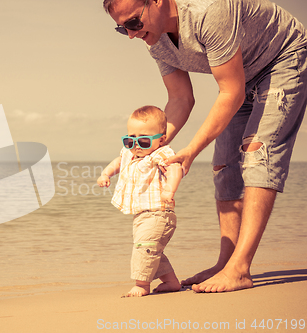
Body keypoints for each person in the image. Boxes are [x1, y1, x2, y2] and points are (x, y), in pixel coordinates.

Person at [102, 0, 307, 293]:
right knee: (223, 164)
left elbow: (231, 91)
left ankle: (240, 269)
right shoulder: (154, 38)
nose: (132, 34)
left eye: (134, 22)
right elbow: (180, 99)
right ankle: (226, 263)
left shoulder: (208, 10)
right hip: (241, 76)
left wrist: (191, 151)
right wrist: (147, 148)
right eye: (122, 29)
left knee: (256, 154)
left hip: (282, 60)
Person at [97, 106, 184, 297]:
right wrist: (106, 173)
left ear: (160, 139)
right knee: (149, 248)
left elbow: (176, 168)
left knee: (144, 247)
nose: (136, 145)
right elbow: (118, 162)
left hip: (159, 213)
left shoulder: (160, 153)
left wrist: (170, 188)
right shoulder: (129, 153)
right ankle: (171, 282)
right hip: (142, 214)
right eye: (130, 140)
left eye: (144, 140)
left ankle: (142, 285)